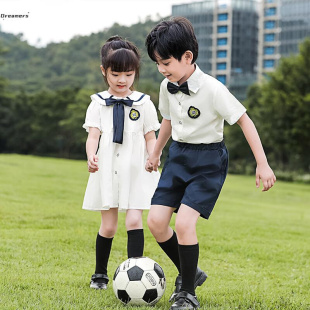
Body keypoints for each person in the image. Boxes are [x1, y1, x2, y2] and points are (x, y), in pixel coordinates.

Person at [145, 17, 276, 310]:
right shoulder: (167, 87)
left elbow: (244, 120)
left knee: (184, 224)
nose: (161, 69)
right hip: (177, 157)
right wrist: (155, 152)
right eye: (157, 63)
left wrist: (262, 164)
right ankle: (193, 272)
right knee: (155, 221)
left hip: (207, 162)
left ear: (187, 57)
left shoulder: (213, 89)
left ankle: (187, 293)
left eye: (165, 62)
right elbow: (167, 120)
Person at [82, 36, 160, 290]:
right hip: (108, 170)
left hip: (137, 169)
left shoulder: (144, 103)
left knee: (134, 221)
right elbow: (93, 135)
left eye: (129, 74)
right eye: (116, 74)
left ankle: (134, 276)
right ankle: (100, 275)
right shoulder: (97, 103)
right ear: (104, 71)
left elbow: (151, 135)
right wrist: (91, 156)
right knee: (109, 225)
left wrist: (153, 155)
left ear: (136, 72)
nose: (122, 80)